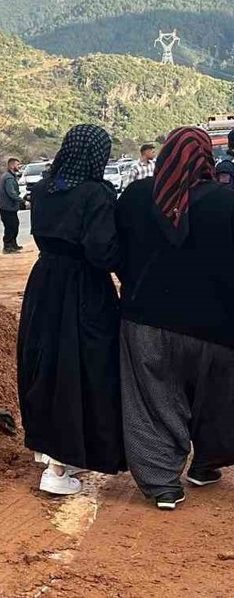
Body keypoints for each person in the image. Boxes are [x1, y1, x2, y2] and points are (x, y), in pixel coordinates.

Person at [115, 127, 234, 511]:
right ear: (206, 158)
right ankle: (206, 463)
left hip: (147, 320)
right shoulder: (226, 202)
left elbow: (115, 251)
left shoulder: (135, 197)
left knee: (153, 400)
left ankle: (163, 484)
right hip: (217, 325)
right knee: (215, 398)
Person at [17, 124, 124, 496]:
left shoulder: (42, 189)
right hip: (83, 288)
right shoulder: (96, 194)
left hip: (45, 284)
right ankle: (61, 465)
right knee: (84, 367)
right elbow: (102, 251)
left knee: (47, 365)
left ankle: (51, 451)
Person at [0, 158, 23, 253]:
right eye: (17, 164)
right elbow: (11, 193)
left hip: (9, 207)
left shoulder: (9, 176)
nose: (19, 166)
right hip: (7, 207)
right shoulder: (9, 178)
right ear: (12, 166)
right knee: (10, 226)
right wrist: (22, 201)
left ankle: (13, 244)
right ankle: (7, 246)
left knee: (14, 225)